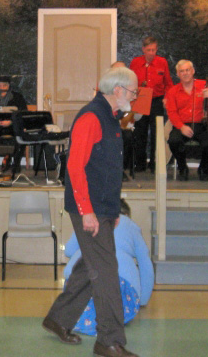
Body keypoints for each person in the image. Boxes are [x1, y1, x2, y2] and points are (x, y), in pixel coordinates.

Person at [42, 66, 140, 357]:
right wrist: (87, 211)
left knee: (91, 265)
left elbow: (108, 168)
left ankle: (58, 319)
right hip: (89, 208)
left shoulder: (111, 117)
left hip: (103, 207)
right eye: (133, 92)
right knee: (106, 273)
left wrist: (113, 209)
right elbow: (75, 167)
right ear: (118, 90)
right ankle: (108, 341)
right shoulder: (91, 117)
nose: (134, 97)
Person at [63, 199, 154, 335]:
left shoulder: (88, 221)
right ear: (126, 215)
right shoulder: (131, 226)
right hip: (118, 282)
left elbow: (69, 251)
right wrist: (143, 299)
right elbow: (145, 263)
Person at [165, 60, 208, 181]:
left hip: (203, 124)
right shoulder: (172, 91)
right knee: (173, 141)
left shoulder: (205, 85)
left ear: (193, 71)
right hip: (182, 125)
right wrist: (181, 127)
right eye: (181, 71)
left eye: (187, 70)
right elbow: (172, 113)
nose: (185, 73)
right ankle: (182, 168)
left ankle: (203, 169)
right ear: (177, 74)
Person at [129, 36, 172, 174]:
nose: (151, 53)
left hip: (156, 101)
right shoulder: (136, 62)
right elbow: (130, 81)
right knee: (140, 132)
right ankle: (140, 163)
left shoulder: (162, 62)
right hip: (141, 99)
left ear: (156, 49)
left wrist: (167, 98)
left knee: (156, 133)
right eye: (149, 50)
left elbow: (168, 83)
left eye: (154, 50)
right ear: (143, 49)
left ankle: (155, 163)